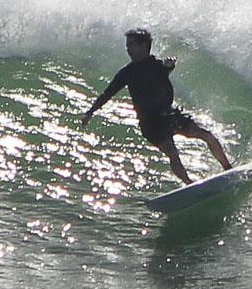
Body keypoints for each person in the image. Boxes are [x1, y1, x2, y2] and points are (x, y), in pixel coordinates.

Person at [80, 28, 233, 184]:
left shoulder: (157, 65)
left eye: (132, 45)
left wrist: (169, 66)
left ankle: (228, 168)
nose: (128, 49)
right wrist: (91, 112)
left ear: (144, 45)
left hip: (169, 115)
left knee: (206, 134)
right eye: (127, 45)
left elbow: (164, 70)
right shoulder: (127, 73)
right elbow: (108, 93)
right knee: (172, 153)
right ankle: (189, 184)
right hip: (150, 124)